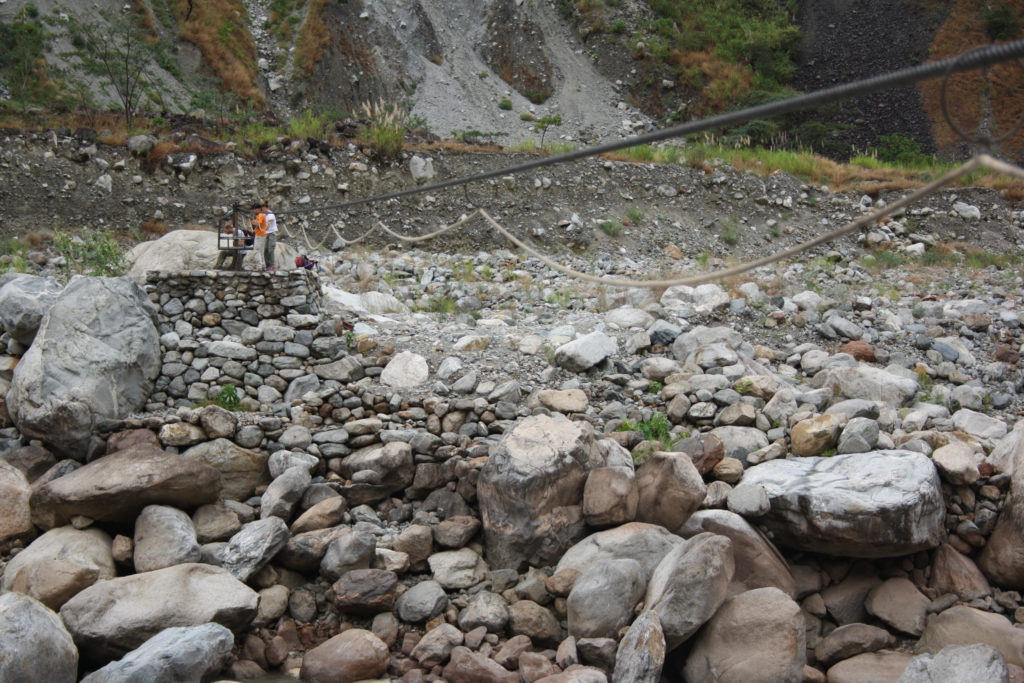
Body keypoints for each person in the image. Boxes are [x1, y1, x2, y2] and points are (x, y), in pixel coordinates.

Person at [250, 202, 267, 270]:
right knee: (261, 251)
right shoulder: (261, 215)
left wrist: (253, 222)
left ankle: (259, 266)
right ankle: (263, 265)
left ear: (258, 209)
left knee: (256, 250)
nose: (254, 211)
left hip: (260, 235)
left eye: (255, 209)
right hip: (262, 234)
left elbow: (257, 224)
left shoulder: (261, 215)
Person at [263, 202, 278, 271]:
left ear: (265, 207)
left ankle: (272, 264)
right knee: (265, 249)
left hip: (271, 233)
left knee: (270, 248)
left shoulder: (270, 215)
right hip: (266, 233)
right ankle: (267, 265)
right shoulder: (264, 215)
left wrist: (262, 230)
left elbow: (269, 225)